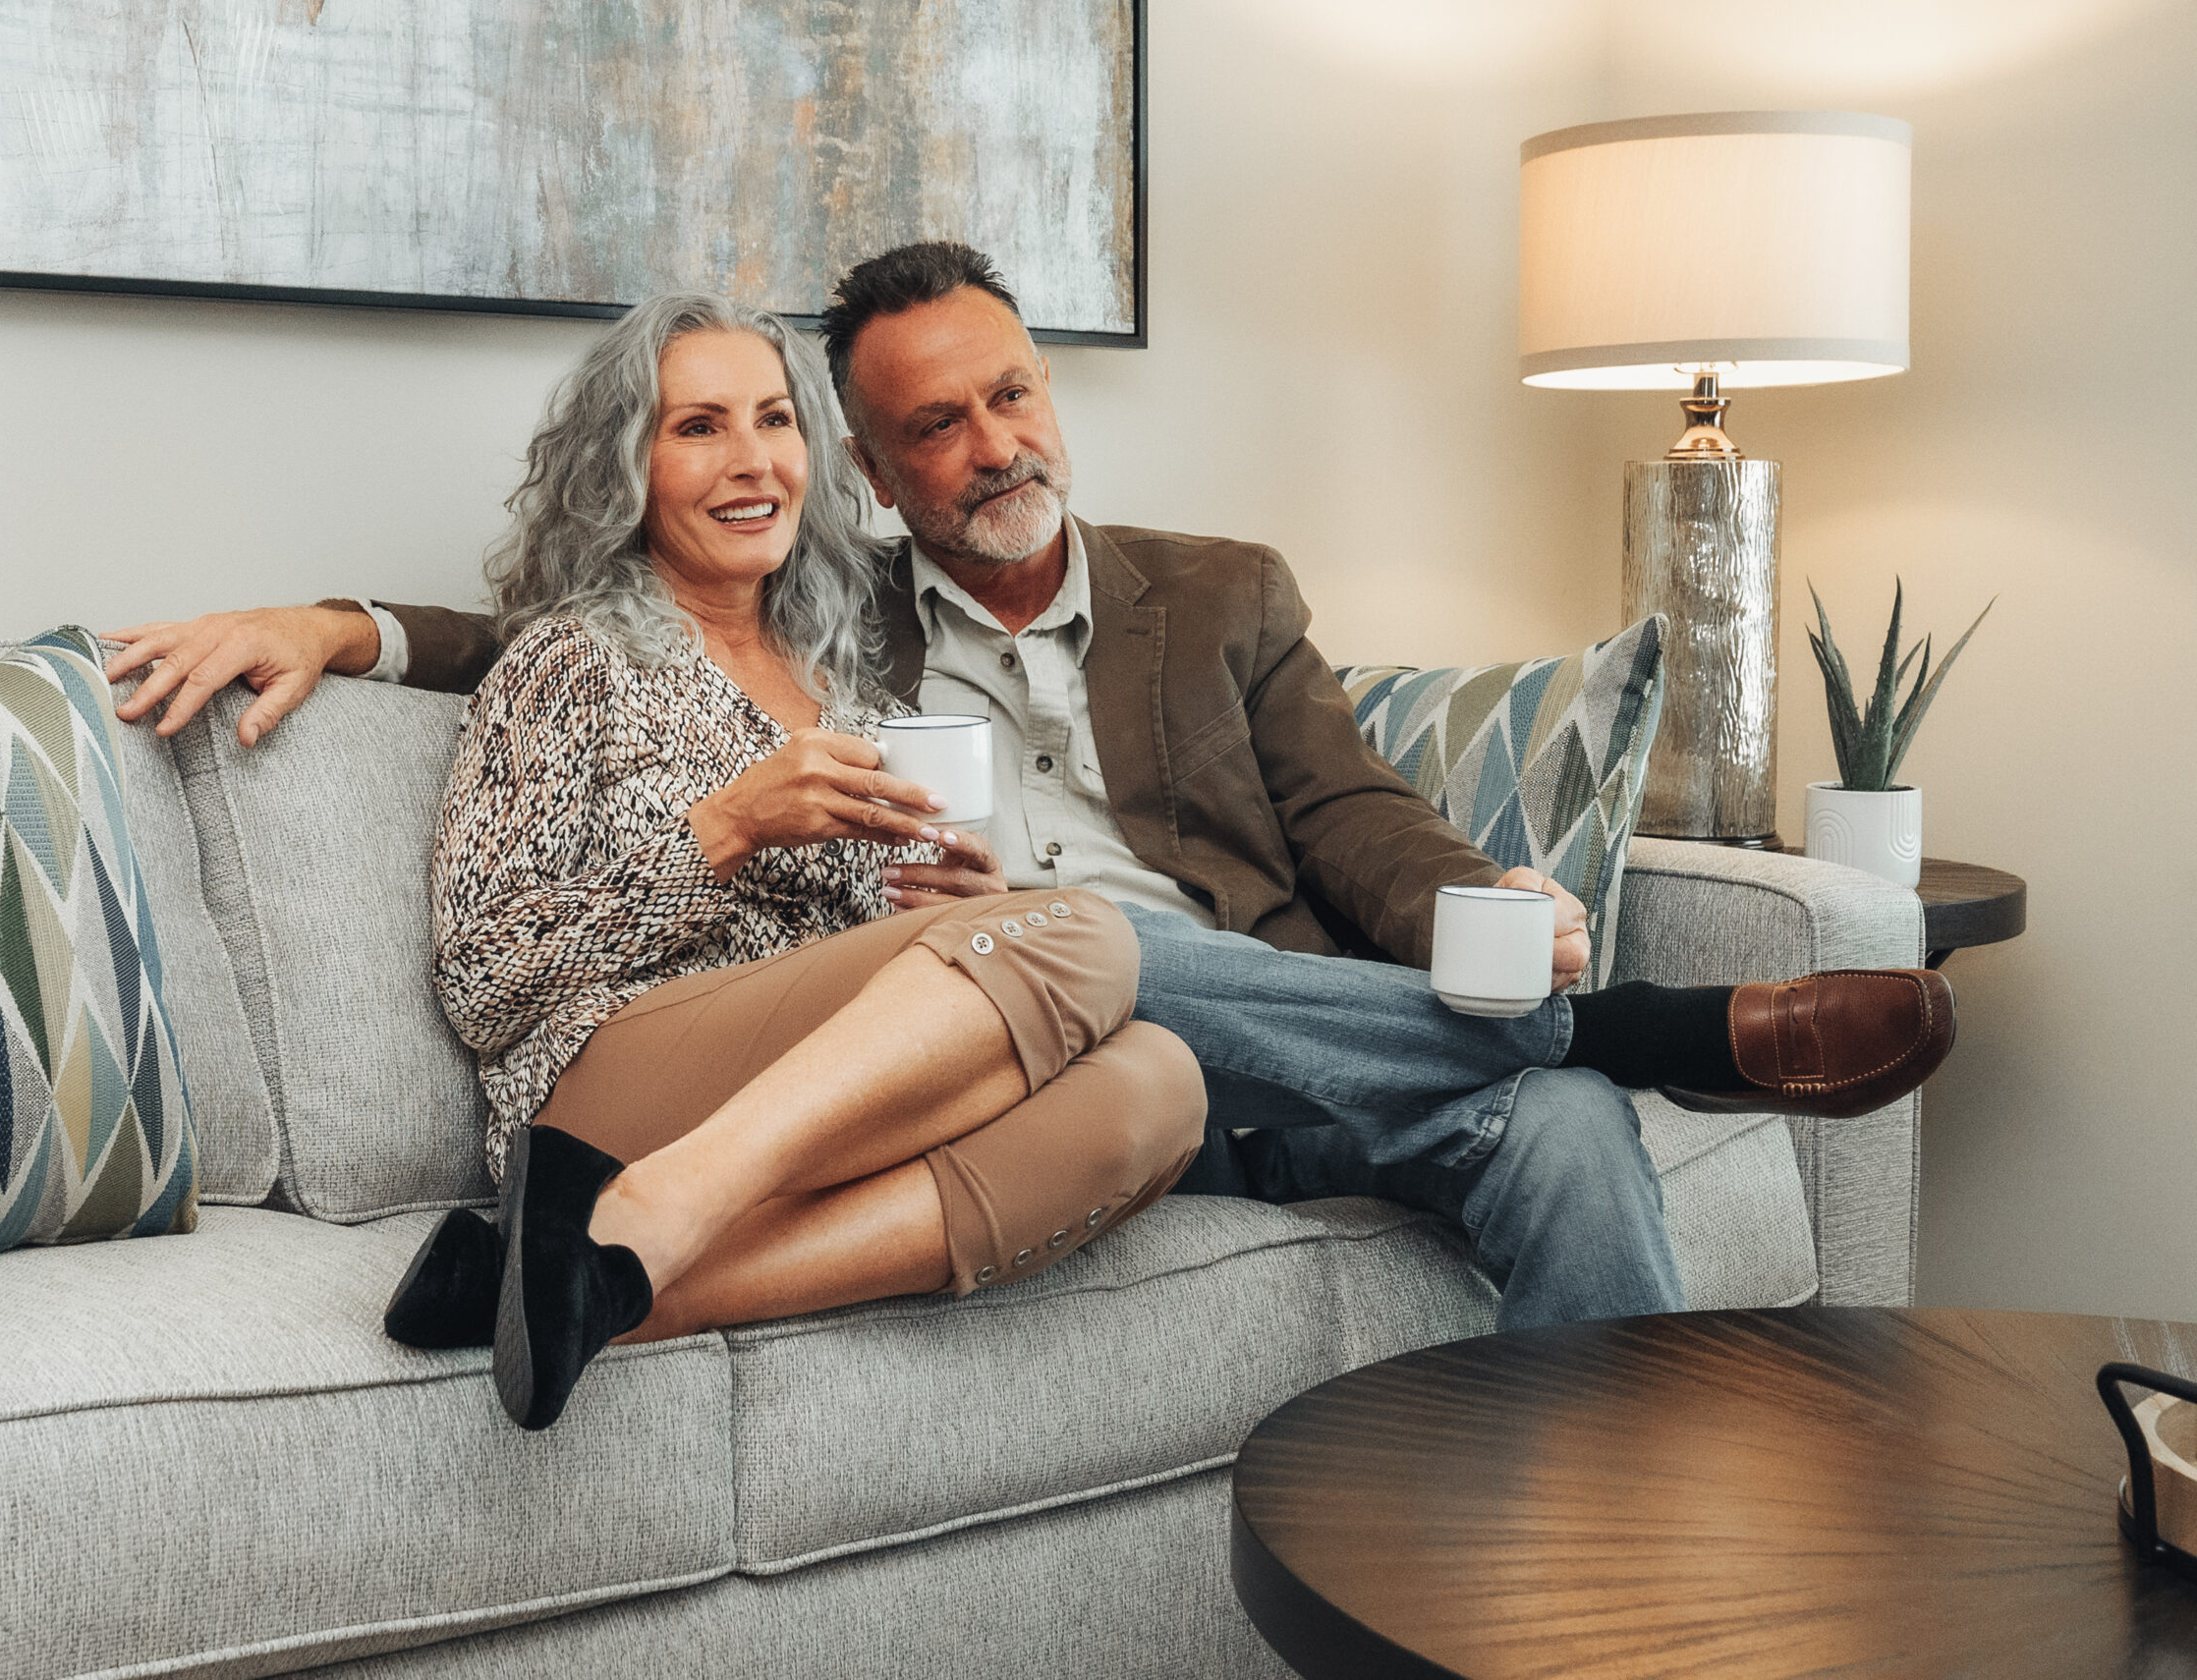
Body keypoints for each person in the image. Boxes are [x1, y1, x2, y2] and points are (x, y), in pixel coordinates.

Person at [108, 245, 1952, 1331]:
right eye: (935, 426)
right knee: (1074, 944)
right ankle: (1632, 1025)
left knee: (1560, 1132)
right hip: (1023, 1030)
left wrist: (1496, 904)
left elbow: (1360, 820)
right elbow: (557, 628)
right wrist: (339, 621)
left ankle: (1596, 1579)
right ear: (880, 475)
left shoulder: (1214, 591)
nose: (993, 445)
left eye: (1013, 395)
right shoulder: (826, 634)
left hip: (1304, 1048)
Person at [391, 292, 1207, 1432]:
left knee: (1160, 1083)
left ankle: (582, 1286)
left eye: (775, 420)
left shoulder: (852, 690)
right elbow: (484, 981)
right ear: (620, 466)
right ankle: (657, 1201)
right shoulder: (565, 663)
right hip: (602, 1088)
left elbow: (872, 973)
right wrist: (724, 830)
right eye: (698, 427)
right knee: (1087, 934)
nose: (752, 462)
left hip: (806, 1094)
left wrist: (957, 916)